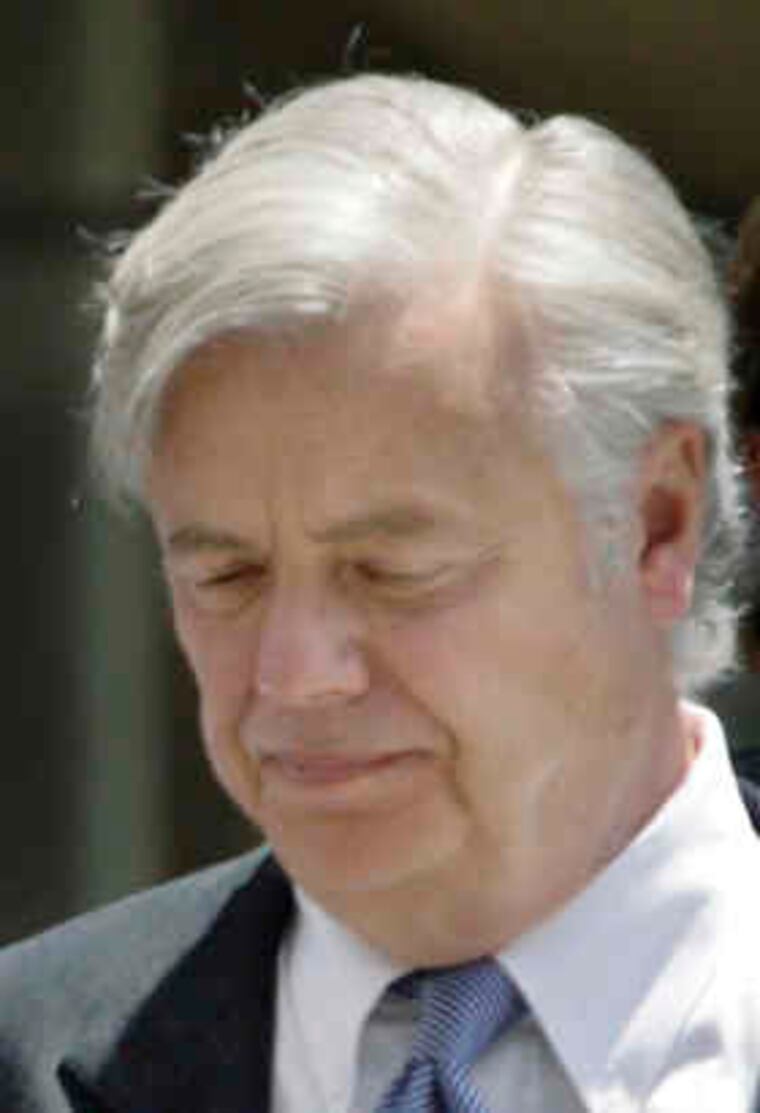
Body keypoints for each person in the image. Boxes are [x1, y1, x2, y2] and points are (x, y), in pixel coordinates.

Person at [1, 72, 759, 1113]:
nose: (293, 674)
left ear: (657, 525)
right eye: (226, 574)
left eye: (395, 572)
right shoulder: (25, 1053)